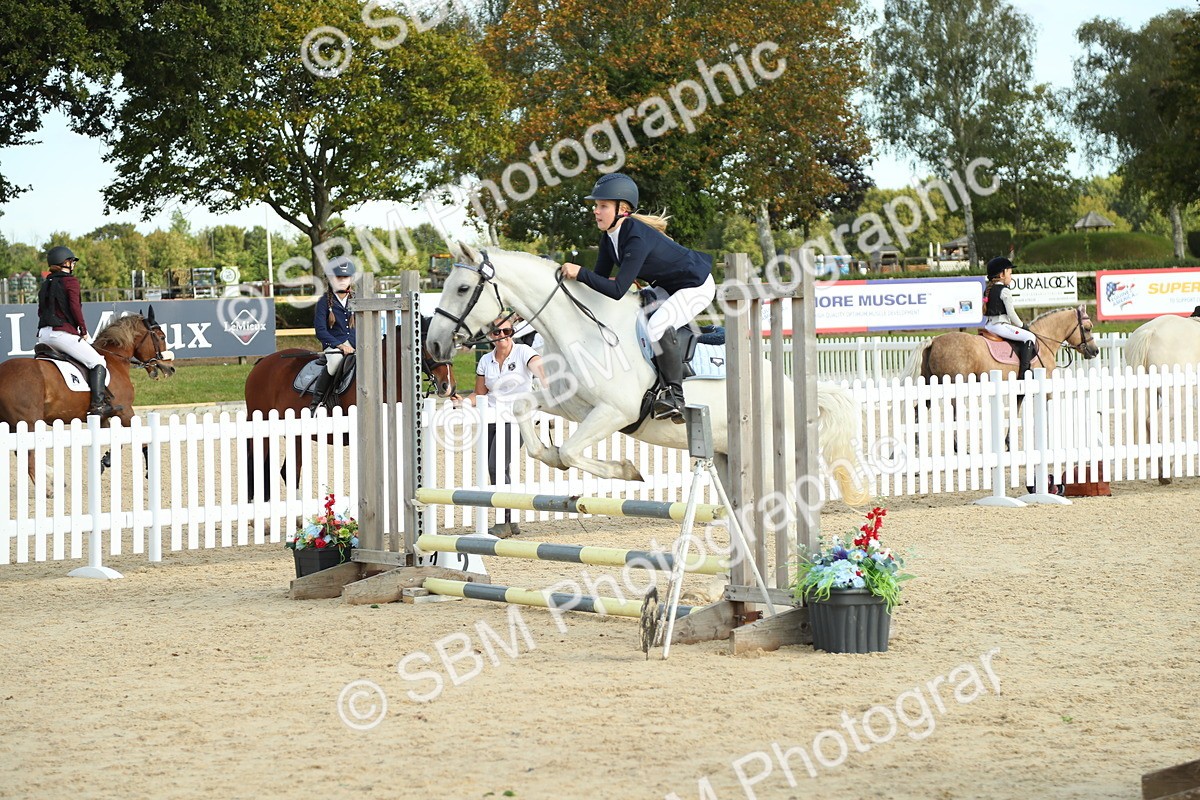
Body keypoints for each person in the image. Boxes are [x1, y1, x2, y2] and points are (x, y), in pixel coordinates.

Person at [560, 173, 715, 423]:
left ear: (622, 209)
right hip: (667, 286)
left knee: (657, 327)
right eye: (596, 206)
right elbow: (598, 280)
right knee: (633, 320)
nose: (595, 211)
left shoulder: (635, 236)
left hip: (695, 285)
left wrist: (580, 273)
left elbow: (617, 289)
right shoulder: (609, 238)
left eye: (602, 206)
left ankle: (676, 397)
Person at [468, 316, 547, 538]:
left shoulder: (523, 351)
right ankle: (510, 522)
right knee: (498, 469)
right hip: (491, 418)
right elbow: (479, 394)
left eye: (507, 332)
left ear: (512, 332)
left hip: (516, 420)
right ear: (490, 335)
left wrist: (548, 382)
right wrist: (462, 403)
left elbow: (539, 368)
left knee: (496, 466)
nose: (503, 336)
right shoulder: (485, 360)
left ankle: (503, 522)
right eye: (497, 333)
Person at [37, 246, 120, 417]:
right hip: (61, 334)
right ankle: (98, 406)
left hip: (43, 335)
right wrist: (82, 329)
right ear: (64, 263)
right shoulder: (70, 281)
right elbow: (75, 308)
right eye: (71, 261)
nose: (73, 264)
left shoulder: (45, 284)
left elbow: (40, 311)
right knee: (97, 362)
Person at [310, 256, 356, 412]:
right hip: (334, 346)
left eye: (346, 277)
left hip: (357, 345)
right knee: (336, 362)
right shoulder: (324, 302)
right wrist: (341, 345)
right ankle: (318, 402)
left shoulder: (357, 300)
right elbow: (321, 331)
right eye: (338, 277)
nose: (342, 280)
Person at [982, 256, 1037, 377]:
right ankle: (1024, 373)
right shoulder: (1004, 290)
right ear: (1002, 274)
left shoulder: (988, 289)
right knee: (1029, 337)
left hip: (989, 326)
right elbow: (1011, 314)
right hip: (1000, 326)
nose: (1011, 278)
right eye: (1010, 274)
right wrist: (1023, 326)